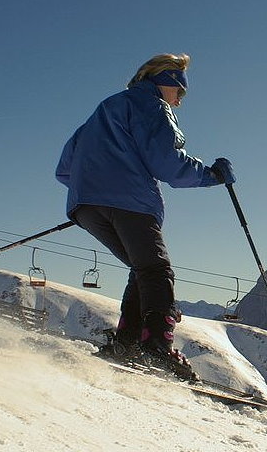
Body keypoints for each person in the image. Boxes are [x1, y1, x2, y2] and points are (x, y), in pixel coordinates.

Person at [56, 53, 235, 379]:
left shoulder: (103, 111)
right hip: (130, 202)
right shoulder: (152, 107)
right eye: (181, 92)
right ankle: (156, 348)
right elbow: (167, 163)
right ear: (168, 81)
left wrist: (94, 190)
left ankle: (126, 343)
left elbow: (65, 167)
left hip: (85, 205)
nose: (180, 100)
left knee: (142, 269)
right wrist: (212, 175)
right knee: (155, 270)